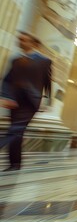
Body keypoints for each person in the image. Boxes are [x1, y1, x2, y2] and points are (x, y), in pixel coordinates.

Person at [0, 32, 52, 171]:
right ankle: (15, 164)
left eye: (24, 40)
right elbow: (7, 80)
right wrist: (7, 96)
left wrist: (47, 101)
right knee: (18, 132)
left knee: (15, 129)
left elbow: (47, 83)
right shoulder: (15, 60)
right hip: (15, 101)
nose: (20, 41)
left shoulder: (45, 61)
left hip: (31, 102)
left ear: (33, 43)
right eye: (19, 39)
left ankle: (14, 162)